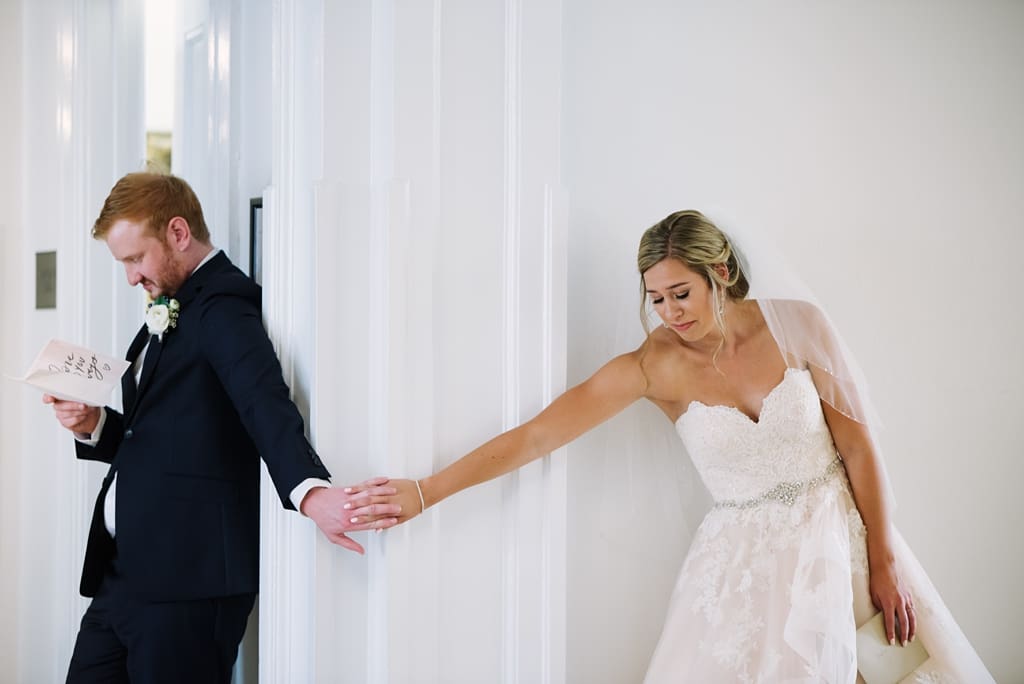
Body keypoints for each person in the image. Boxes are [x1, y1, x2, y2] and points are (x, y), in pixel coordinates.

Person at [365, 210, 994, 682]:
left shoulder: (799, 323)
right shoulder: (648, 367)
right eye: (655, 297)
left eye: (681, 293)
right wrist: (424, 492)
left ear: (720, 274)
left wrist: (883, 562)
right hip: (740, 571)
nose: (668, 312)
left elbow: (858, 448)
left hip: (842, 540)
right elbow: (536, 436)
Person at [44, 172, 401, 683]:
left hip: (188, 584)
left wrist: (308, 491)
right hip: (124, 576)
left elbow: (263, 403)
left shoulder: (225, 307)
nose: (129, 277)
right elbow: (161, 429)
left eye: (134, 258)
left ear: (178, 233)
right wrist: (93, 423)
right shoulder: (174, 302)